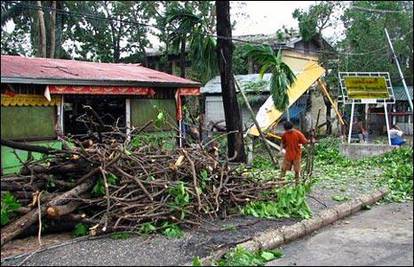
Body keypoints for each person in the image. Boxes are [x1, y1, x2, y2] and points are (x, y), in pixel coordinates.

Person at [279, 121, 312, 185]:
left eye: (290, 130)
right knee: (283, 169)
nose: (289, 131)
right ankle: (281, 183)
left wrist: (310, 142)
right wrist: (281, 150)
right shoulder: (285, 134)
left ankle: (297, 184)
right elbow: (282, 143)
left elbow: (305, 141)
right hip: (288, 155)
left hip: (297, 155)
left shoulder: (298, 133)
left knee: (297, 170)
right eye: (287, 130)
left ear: (292, 128)